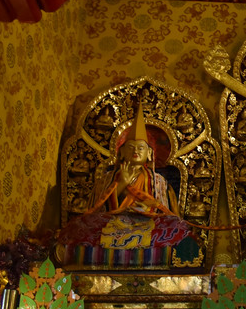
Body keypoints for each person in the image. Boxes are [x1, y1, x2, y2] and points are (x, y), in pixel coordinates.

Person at [56, 104, 199, 265]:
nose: (135, 151)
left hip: (147, 223)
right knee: (81, 230)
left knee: (176, 229)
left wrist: (148, 210)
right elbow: (98, 209)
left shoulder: (158, 180)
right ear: (121, 152)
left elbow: (165, 212)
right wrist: (121, 183)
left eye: (141, 148)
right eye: (130, 147)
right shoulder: (108, 177)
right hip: (113, 223)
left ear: (150, 153)